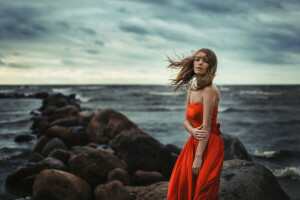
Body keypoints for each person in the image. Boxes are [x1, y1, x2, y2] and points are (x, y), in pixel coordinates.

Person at [166, 48, 224, 200]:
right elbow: (186, 120)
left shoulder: (210, 90)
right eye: (197, 59)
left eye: (205, 61)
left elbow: (206, 127)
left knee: (203, 191)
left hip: (209, 144)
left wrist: (198, 157)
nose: (200, 63)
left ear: (210, 67)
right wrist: (192, 131)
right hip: (193, 142)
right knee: (181, 185)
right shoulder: (192, 90)